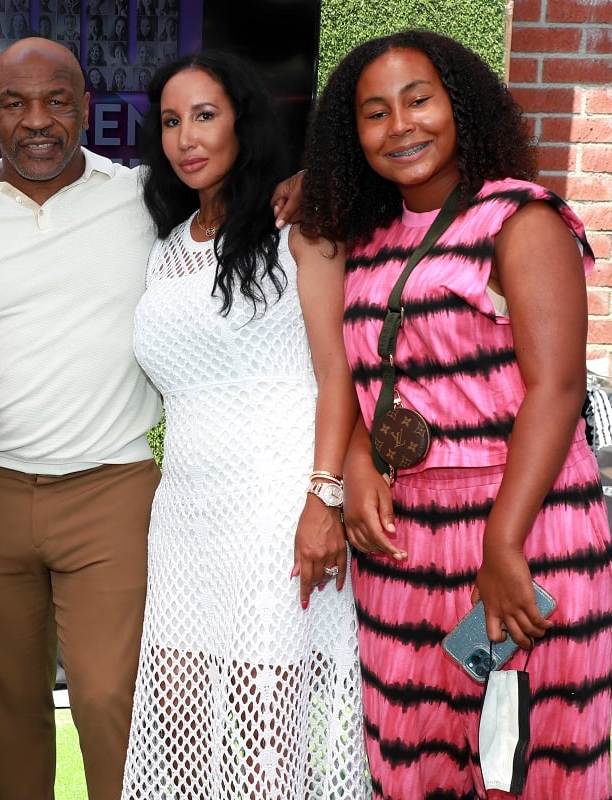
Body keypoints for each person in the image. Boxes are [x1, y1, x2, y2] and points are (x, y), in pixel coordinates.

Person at [0, 36, 304, 800]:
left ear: (86, 108)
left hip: (112, 489)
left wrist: (311, 180)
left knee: (112, 702)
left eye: (56, 100)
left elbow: (240, 194)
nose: (37, 119)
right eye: (15, 103)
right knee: (8, 711)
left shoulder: (142, 198)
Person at [300, 29, 612, 798]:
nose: (399, 125)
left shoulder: (521, 218)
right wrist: (356, 461)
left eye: (418, 100)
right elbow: (362, 374)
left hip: (522, 522)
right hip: (403, 544)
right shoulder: (365, 237)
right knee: (409, 758)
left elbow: (557, 389)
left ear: (459, 108)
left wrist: (502, 542)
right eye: (374, 113)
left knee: (525, 761)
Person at [121, 50, 368, 800]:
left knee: (267, 741)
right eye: (170, 121)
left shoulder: (300, 224)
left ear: (242, 122)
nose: (185, 137)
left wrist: (323, 499)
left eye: (204, 115)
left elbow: (339, 374)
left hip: (277, 512)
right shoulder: (166, 247)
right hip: (186, 515)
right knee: (180, 717)